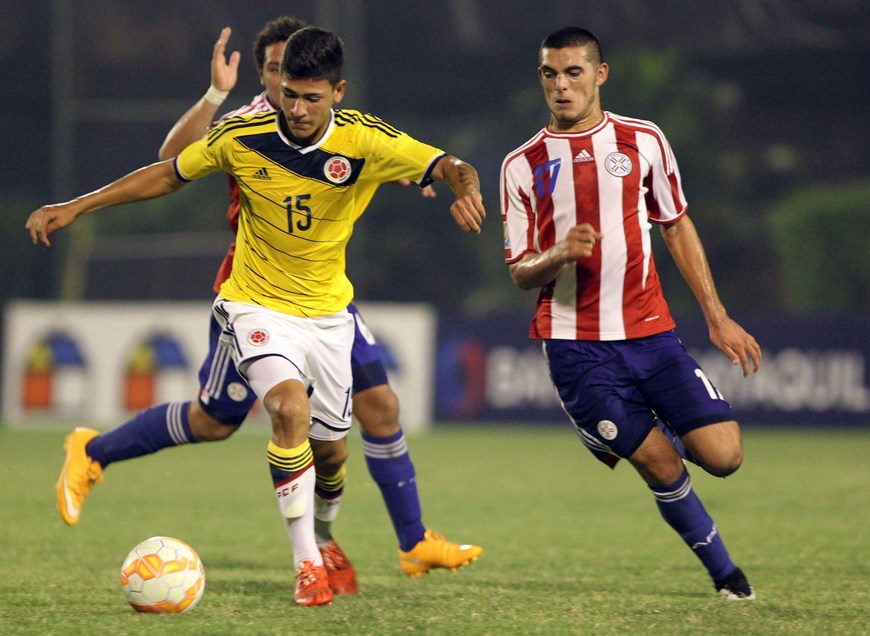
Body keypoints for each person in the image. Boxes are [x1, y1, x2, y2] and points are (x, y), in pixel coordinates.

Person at [29, 25, 486, 607]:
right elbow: (169, 170)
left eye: (310, 97)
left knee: (328, 449)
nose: (296, 107)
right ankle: (309, 566)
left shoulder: (366, 140)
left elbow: (450, 164)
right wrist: (77, 206)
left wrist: (462, 186)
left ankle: (331, 537)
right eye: (288, 91)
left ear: (338, 92)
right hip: (253, 301)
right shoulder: (241, 132)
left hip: (327, 312)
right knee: (286, 411)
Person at [500, 26, 761, 601]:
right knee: (661, 465)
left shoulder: (643, 140)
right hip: (575, 348)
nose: (561, 85)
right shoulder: (522, 165)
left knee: (725, 456)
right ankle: (726, 576)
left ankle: (653, 421)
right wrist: (559, 253)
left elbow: (675, 224)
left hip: (651, 335)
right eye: (550, 74)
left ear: (600, 75)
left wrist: (716, 316)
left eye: (573, 72)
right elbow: (520, 272)